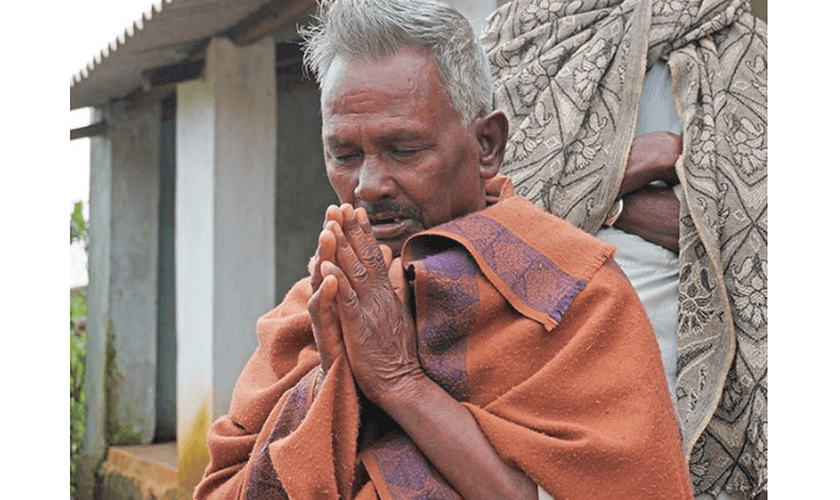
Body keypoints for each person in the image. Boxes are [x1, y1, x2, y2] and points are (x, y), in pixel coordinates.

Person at [193, 1, 693, 499]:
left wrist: (399, 383)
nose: (368, 185)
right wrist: (333, 379)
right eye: (343, 154)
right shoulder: (315, 304)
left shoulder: (573, 295)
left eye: (404, 150)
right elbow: (224, 487)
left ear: (488, 145)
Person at [480, 0, 767, 499]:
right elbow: (479, 205)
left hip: (689, 371)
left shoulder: (749, 50)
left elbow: (754, 232)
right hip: (533, 359)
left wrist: (616, 202)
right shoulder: (516, 37)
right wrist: (628, 177)